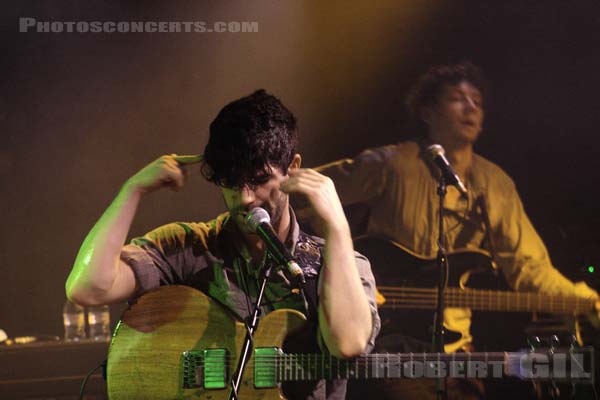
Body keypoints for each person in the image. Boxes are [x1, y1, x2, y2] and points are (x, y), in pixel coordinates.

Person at [66, 89, 380, 399]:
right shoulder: (191, 246)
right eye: (231, 182)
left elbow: (347, 343)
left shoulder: (340, 262)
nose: (244, 198)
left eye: (258, 180)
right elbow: (88, 288)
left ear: (293, 168)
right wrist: (132, 191)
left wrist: (337, 226)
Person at [313, 62, 599, 398]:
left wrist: (583, 300)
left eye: (477, 100)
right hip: (390, 349)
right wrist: (331, 267)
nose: (471, 107)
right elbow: (310, 191)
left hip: (456, 352)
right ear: (428, 112)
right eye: (457, 98)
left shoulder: (494, 183)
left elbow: (529, 267)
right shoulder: (390, 164)